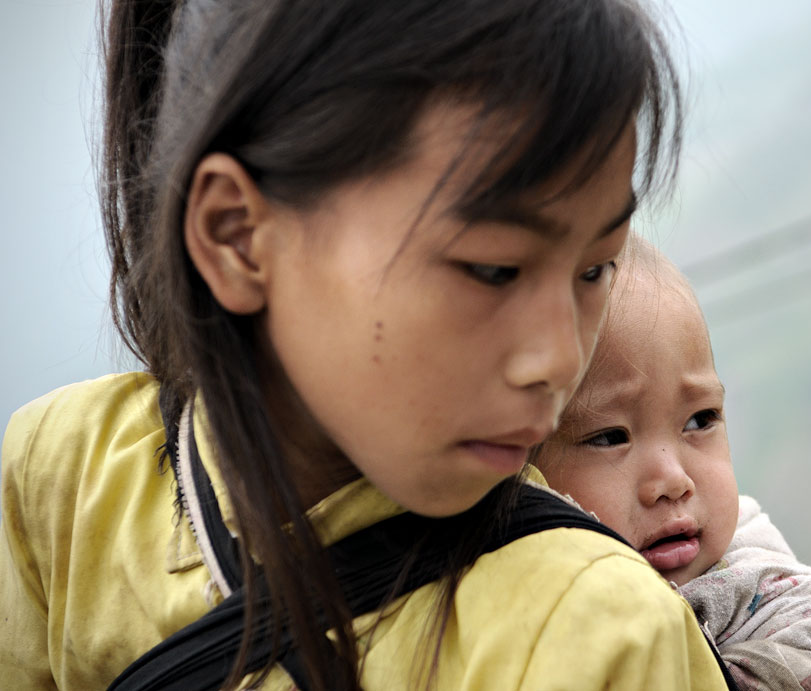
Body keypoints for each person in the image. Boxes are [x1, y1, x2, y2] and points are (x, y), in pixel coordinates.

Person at [0, 2, 730, 690]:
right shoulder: (59, 477)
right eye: (492, 269)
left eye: (594, 269)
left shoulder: (603, 635)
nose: (560, 360)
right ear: (237, 236)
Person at [535, 237, 811, 690]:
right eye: (609, 437)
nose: (673, 481)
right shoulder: (526, 610)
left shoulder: (772, 593)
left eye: (700, 420)